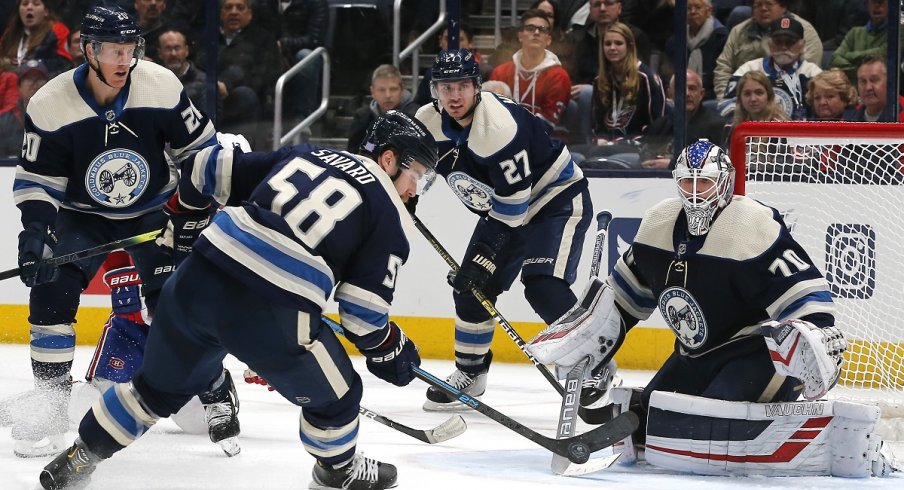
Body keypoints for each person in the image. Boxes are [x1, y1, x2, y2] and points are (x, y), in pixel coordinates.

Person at [38, 110, 438, 490]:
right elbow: (363, 316)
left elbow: (205, 167)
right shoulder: (388, 214)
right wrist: (392, 351)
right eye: (417, 175)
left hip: (196, 280)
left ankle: (79, 457)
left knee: (152, 392)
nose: (414, 189)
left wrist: (184, 220)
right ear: (389, 159)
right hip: (272, 312)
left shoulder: (308, 152)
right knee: (341, 397)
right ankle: (339, 472)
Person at [526, 139, 896, 478]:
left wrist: (809, 342)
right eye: (687, 182)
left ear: (724, 183)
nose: (695, 192)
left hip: (756, 353)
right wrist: (593, 343)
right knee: (649, 422)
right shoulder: (657, 223)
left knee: (710, 428)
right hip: (694, 354)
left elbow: (810, 304)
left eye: (704, 182)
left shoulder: (749, 225)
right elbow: (623, 302)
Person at [9, 5, 238, 459]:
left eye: (130, 50)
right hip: (82, 215)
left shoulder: (160, 85)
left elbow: (202, 152)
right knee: (51, 291)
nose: (123, 61)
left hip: (155, 210)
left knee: (180, 303)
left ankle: (215, 393)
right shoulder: (50, 103)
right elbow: (38, 181)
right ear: (88, 50)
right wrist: (36, 231)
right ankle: (51, 409)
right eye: (114, 50)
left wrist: (194, 209)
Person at [415, 49, 594, 410]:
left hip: (553, 202)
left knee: (544, 286)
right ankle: (471, 373)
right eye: (445, 87)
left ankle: (591, 366)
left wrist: (485, 255)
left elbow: (514, 208)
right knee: (471, 288)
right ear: (434, 90)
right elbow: (408, 163)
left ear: (477, 87)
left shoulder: (497, 128)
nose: (454, 96)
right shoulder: (426, 121)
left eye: (462, 86)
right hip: (503, 210)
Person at [713, 0, 822, 102]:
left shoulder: (804, 30)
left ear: (783, 6)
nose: (763, 9)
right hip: (748, 100)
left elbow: (808, 70)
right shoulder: (738, 31)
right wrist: (725, 100)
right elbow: (723, 68)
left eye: (769, 4)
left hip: (795, 98)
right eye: (758, 5)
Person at [584, 22, 665, 159]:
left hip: (639, 145)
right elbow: (596, 124)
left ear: (630, 46)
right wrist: (600, 139)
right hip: (606, 145)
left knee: (595, 154)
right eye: (608, 43)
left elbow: (658, 124)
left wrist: (624, 140)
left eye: (618, 43)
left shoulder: (646, 78)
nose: (612, 48)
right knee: (570, 154)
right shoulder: (600, 81)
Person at [722, 15, 823, 121]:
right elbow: (726, 107)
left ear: (802, 46)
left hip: (800, 134)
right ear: (769, 45)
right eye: (778, 42)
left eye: (789, 42)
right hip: (757, 133)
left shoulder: (813, 74)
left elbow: (824, 111)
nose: (783, 47)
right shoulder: (748, 69)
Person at [489, 9, 572, 131]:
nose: (536, 32)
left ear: (548, 39)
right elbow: (490, 116)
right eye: (530, 28)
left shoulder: (559, 76)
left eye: (542, 29)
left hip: (544, 144)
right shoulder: (500, 73)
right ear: (520, 36)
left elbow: (546, 125)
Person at [638, 69, 726, 169]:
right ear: (670, 94)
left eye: (692, 88)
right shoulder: (660, 125)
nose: (687, 93)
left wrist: (672, 164)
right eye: (681, 88)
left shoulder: (716, 125)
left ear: (701, 94)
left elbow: (717, 165)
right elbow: (644, 155)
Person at [663, 0, 729, 101]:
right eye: (688, 8)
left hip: (711, 96)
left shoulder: (721, 37)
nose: (692, 12)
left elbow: (722, 72)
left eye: (698, 7)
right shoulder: (675, 41)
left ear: (709, 11)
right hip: (680, 96)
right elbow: (669, 73)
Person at [347, 64, 420, 153]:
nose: (387, 95)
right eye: (382, 90)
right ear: (372, 92)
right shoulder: (362, 117)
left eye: (393, 89)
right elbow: (352, 155)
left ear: (402, 89)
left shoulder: (417, 115)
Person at [829, 0, 897, 86]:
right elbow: (834, 60)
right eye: (873, 2)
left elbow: (883, 53)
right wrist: (864, 70)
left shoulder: (897, 33)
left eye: (880, 2)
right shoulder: (854, 32)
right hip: (852, 92)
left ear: (891, 5)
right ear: (868, 5)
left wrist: (848, 56)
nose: (876, 6)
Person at [0, 0, 72, 76]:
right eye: (25, 4)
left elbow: (65, 63)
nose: (29, 7)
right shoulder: (11, 32)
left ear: (46, 11)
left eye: (36, 4)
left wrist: (35, 64)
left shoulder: (58, 30)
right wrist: (6, 63)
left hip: (43, 82)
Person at [845, 55, 904, 122]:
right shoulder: (848, 118)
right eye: (863, 81)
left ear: (890, 82)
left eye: (874, 80)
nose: (868, 87)